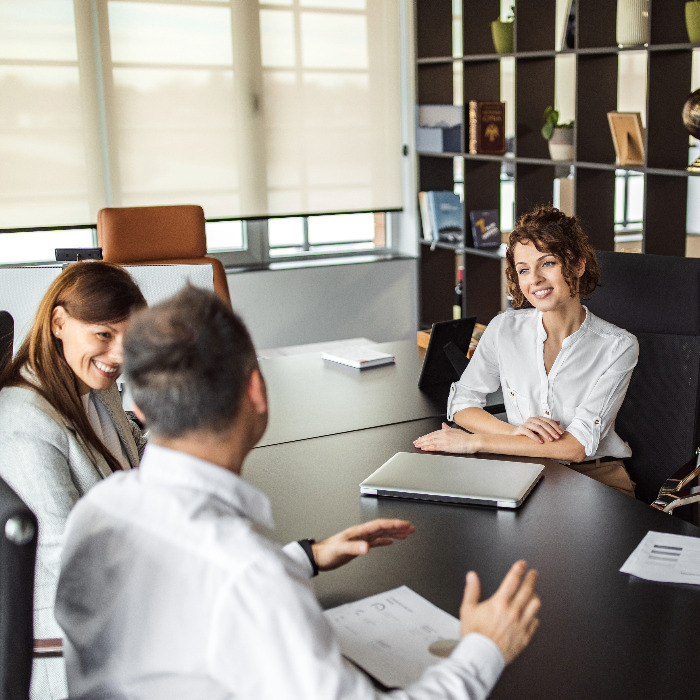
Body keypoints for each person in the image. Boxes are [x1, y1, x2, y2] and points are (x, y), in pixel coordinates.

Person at [55, 286, 540, 699]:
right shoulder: (248, 577)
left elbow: (185, 598)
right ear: (256, 393)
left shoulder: (99, 509)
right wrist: (485, 648)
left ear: (136, 403)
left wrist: (302, 557)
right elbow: (233, 583)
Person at [414, 205, 638, 497]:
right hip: (524, 468)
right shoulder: (505, 328)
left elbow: (575, 448)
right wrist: (514, 433)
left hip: (596, 479)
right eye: (523, 269)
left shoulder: (617, 346)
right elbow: (462, 403)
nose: (534, 279)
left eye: (547, 263)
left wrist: (476, 441)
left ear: (578, 265)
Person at [0, 261, 147, 699]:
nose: (119, 354)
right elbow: (71, 564)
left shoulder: (95, 388)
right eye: (104, 334)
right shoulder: (24, 423)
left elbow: (131, 463)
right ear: (59, 322)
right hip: (73, 654)